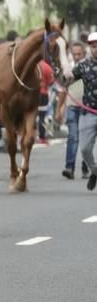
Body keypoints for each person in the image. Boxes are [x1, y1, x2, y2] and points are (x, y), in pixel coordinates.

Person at [70, 32, 97, 192]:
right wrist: (58, 74)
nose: (96, 49)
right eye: (93, 47)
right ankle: (95, 170)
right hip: (88, 113)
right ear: (90, 48)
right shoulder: (83, 65)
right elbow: (68, 80)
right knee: (85, 149)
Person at [58, 41, 88, 179]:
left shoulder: (89, 66)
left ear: (84, 53)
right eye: (74, 54)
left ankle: (86, 166)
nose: (76, 56)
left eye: (79, 54)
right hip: (72, 106)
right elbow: (63, 89)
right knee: (73, 137)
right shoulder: (69, 68)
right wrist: (60, 107)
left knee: (86, 139)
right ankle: (69, 167)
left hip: (87, 108)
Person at [36, 60, 55, 145]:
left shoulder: (31, 64)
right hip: (43, 94)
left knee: (31, 116)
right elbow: (51, 81)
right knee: (42, 117)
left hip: (31, 94)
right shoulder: (46, 66)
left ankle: (31, 135)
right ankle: (42, 137)